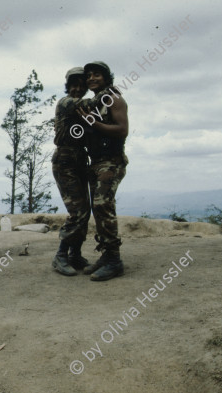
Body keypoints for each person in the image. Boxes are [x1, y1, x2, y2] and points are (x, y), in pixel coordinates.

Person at [77, 61, 129, 281]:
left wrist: (94, 124)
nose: (91, 79)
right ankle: (107, 256)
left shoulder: (114, 99)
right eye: (88, 76)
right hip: (96, 162)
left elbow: (122, 130)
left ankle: (114, 260)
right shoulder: (94, 102)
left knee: (102, 205)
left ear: (107, 78)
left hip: (112, 161)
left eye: (97, 75)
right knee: (99, 209)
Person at [51, 67, 93, 276]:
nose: (77, 89)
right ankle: (60, 255)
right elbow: (93, 103)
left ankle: (75, 254)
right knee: (78, 211)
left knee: (85, 210)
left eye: (81, 85)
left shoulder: (83, 111)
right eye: (73, 85)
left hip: (79, 159)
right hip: (65, 160)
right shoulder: (66, 103)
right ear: (68, 87)